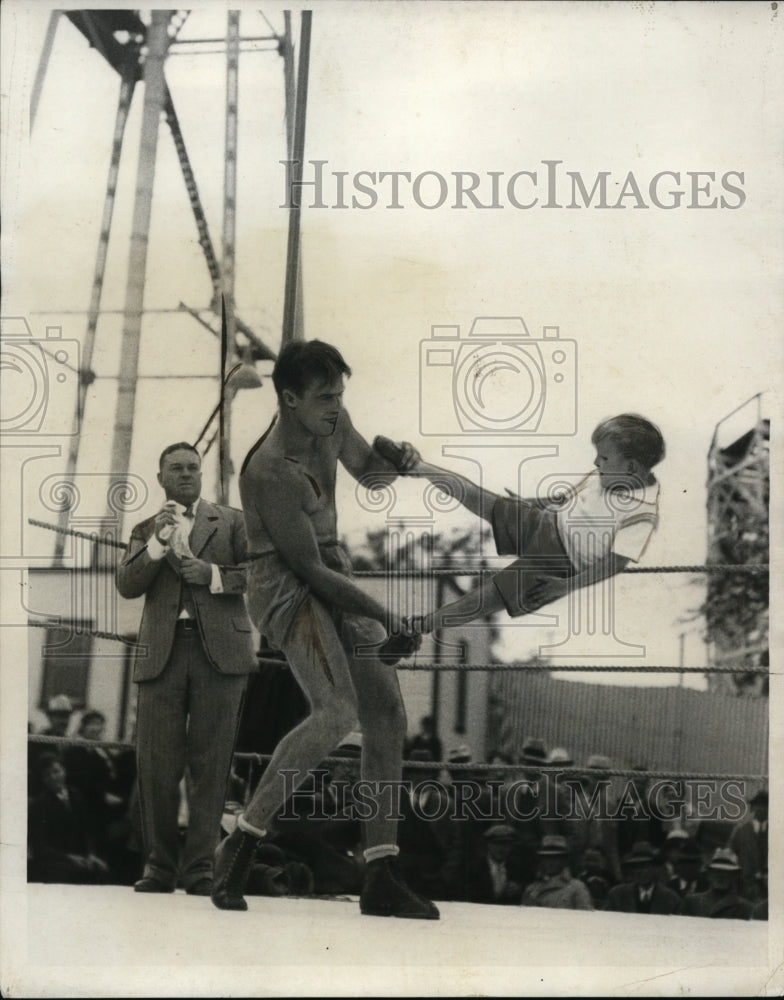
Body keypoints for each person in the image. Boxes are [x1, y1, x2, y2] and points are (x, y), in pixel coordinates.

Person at [211, 340, 436, 919]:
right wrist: (385, 614)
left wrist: (397, 461)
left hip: (331, 566)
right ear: (289, 399)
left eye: (340, 394)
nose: (336, 406)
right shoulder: (268, 470)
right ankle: (241, 842)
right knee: (336, 711)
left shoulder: (333, 421)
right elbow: (307, 571)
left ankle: (381, 872)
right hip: (282, 581)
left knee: (387, 713)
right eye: (324, 397)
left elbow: (369, 474)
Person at [116, 442, 256, 895]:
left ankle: (200, 869)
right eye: (175, 468)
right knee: (156, 763)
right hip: (163, 652)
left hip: (221, 652)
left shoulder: (233, 522)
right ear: (160, 478)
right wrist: (158, 543)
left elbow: (262, 574)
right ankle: (158, 867)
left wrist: (213, 576)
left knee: (212, 764)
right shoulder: (144, 529)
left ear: (202, 473)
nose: (186, 474)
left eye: (193, 467)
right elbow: (127, 584)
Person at [397, 413, 663, 632]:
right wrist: (527, 502)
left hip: (559, 565)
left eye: (603, 458)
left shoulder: (642, 513)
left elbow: (614, 564)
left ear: (631, 468)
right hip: (545, 524)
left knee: (487, 598)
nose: (596, 462)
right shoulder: (602, 475)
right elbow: (562, 499)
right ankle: (417, 467)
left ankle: (417, 628)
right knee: (482, 499)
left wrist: (565, 586)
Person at [28, 753, 109, 885]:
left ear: (64, 771)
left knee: (102, 871)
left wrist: (91, 854)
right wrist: (69, 858)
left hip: (81, 857)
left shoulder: (76, 795)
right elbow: (40, 847)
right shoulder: (40, 804)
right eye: (47, 775)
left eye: (56, 771)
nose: (53, 777)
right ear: (43, 779)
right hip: (56, 861)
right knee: (75, 874)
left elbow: (86, 830)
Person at [606, 841, 682, 915]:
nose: (640, 872)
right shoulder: (617, 895)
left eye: (645, 867)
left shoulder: (670, 898)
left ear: (655, 869)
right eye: (636, 867)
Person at [520, 835, 593, 910]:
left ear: (564, 861)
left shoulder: (577, 888)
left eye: (555, 858)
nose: (550, 863)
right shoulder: (531, 889)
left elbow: (585, 915)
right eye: (547, 858)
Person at [681, 847, 752, 920]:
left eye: (726, 872)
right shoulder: (692, 902)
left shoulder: (744, 908)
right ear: (709, 874)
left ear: (734, 876)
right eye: (716, 871)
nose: (720, 877)